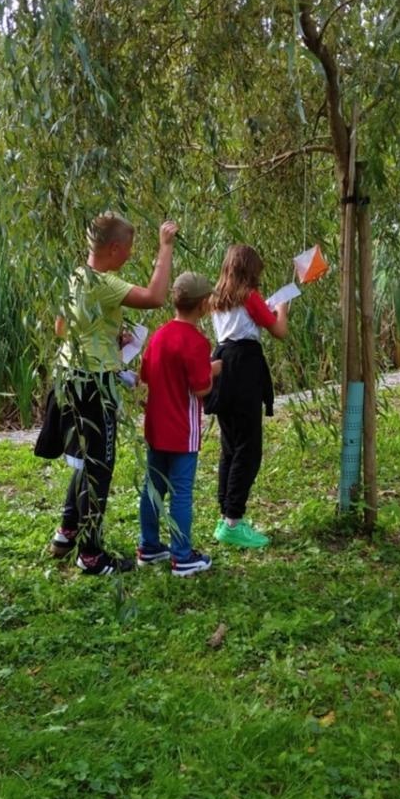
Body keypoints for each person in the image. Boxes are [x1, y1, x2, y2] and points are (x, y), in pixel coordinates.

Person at [50, 212, 178, 575]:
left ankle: (67, 531)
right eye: (129, 250)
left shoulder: (76, 275)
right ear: (115, 248)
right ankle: (90, 554)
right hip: (94, 384)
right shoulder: (104, 282)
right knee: (99, 466)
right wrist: (164, 247)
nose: (129, 256)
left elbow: (62, 327)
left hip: (70, 375)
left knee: (85, 458)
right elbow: (155, 297)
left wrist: (108, 337)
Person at [137, 272, 221, 577]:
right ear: (202, 305)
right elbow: (200, 389)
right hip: (182, 432)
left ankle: (148, 546)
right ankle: (182, 556)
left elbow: (146, 375)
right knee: (182, 492)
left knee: (153, 488)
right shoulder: (197, 341)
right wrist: (214, 370)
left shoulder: (159, 335)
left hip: (156, 428)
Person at [208, 244, 289, 549]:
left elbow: (245, 320)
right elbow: (279, 330)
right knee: (248, 449)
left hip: (223, 364)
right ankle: (233, 521)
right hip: (244, 369)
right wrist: (282, 307)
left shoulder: (219, 299)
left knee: (230, 446)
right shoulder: (249, 297)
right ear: (250, 270)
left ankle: (226, 515)